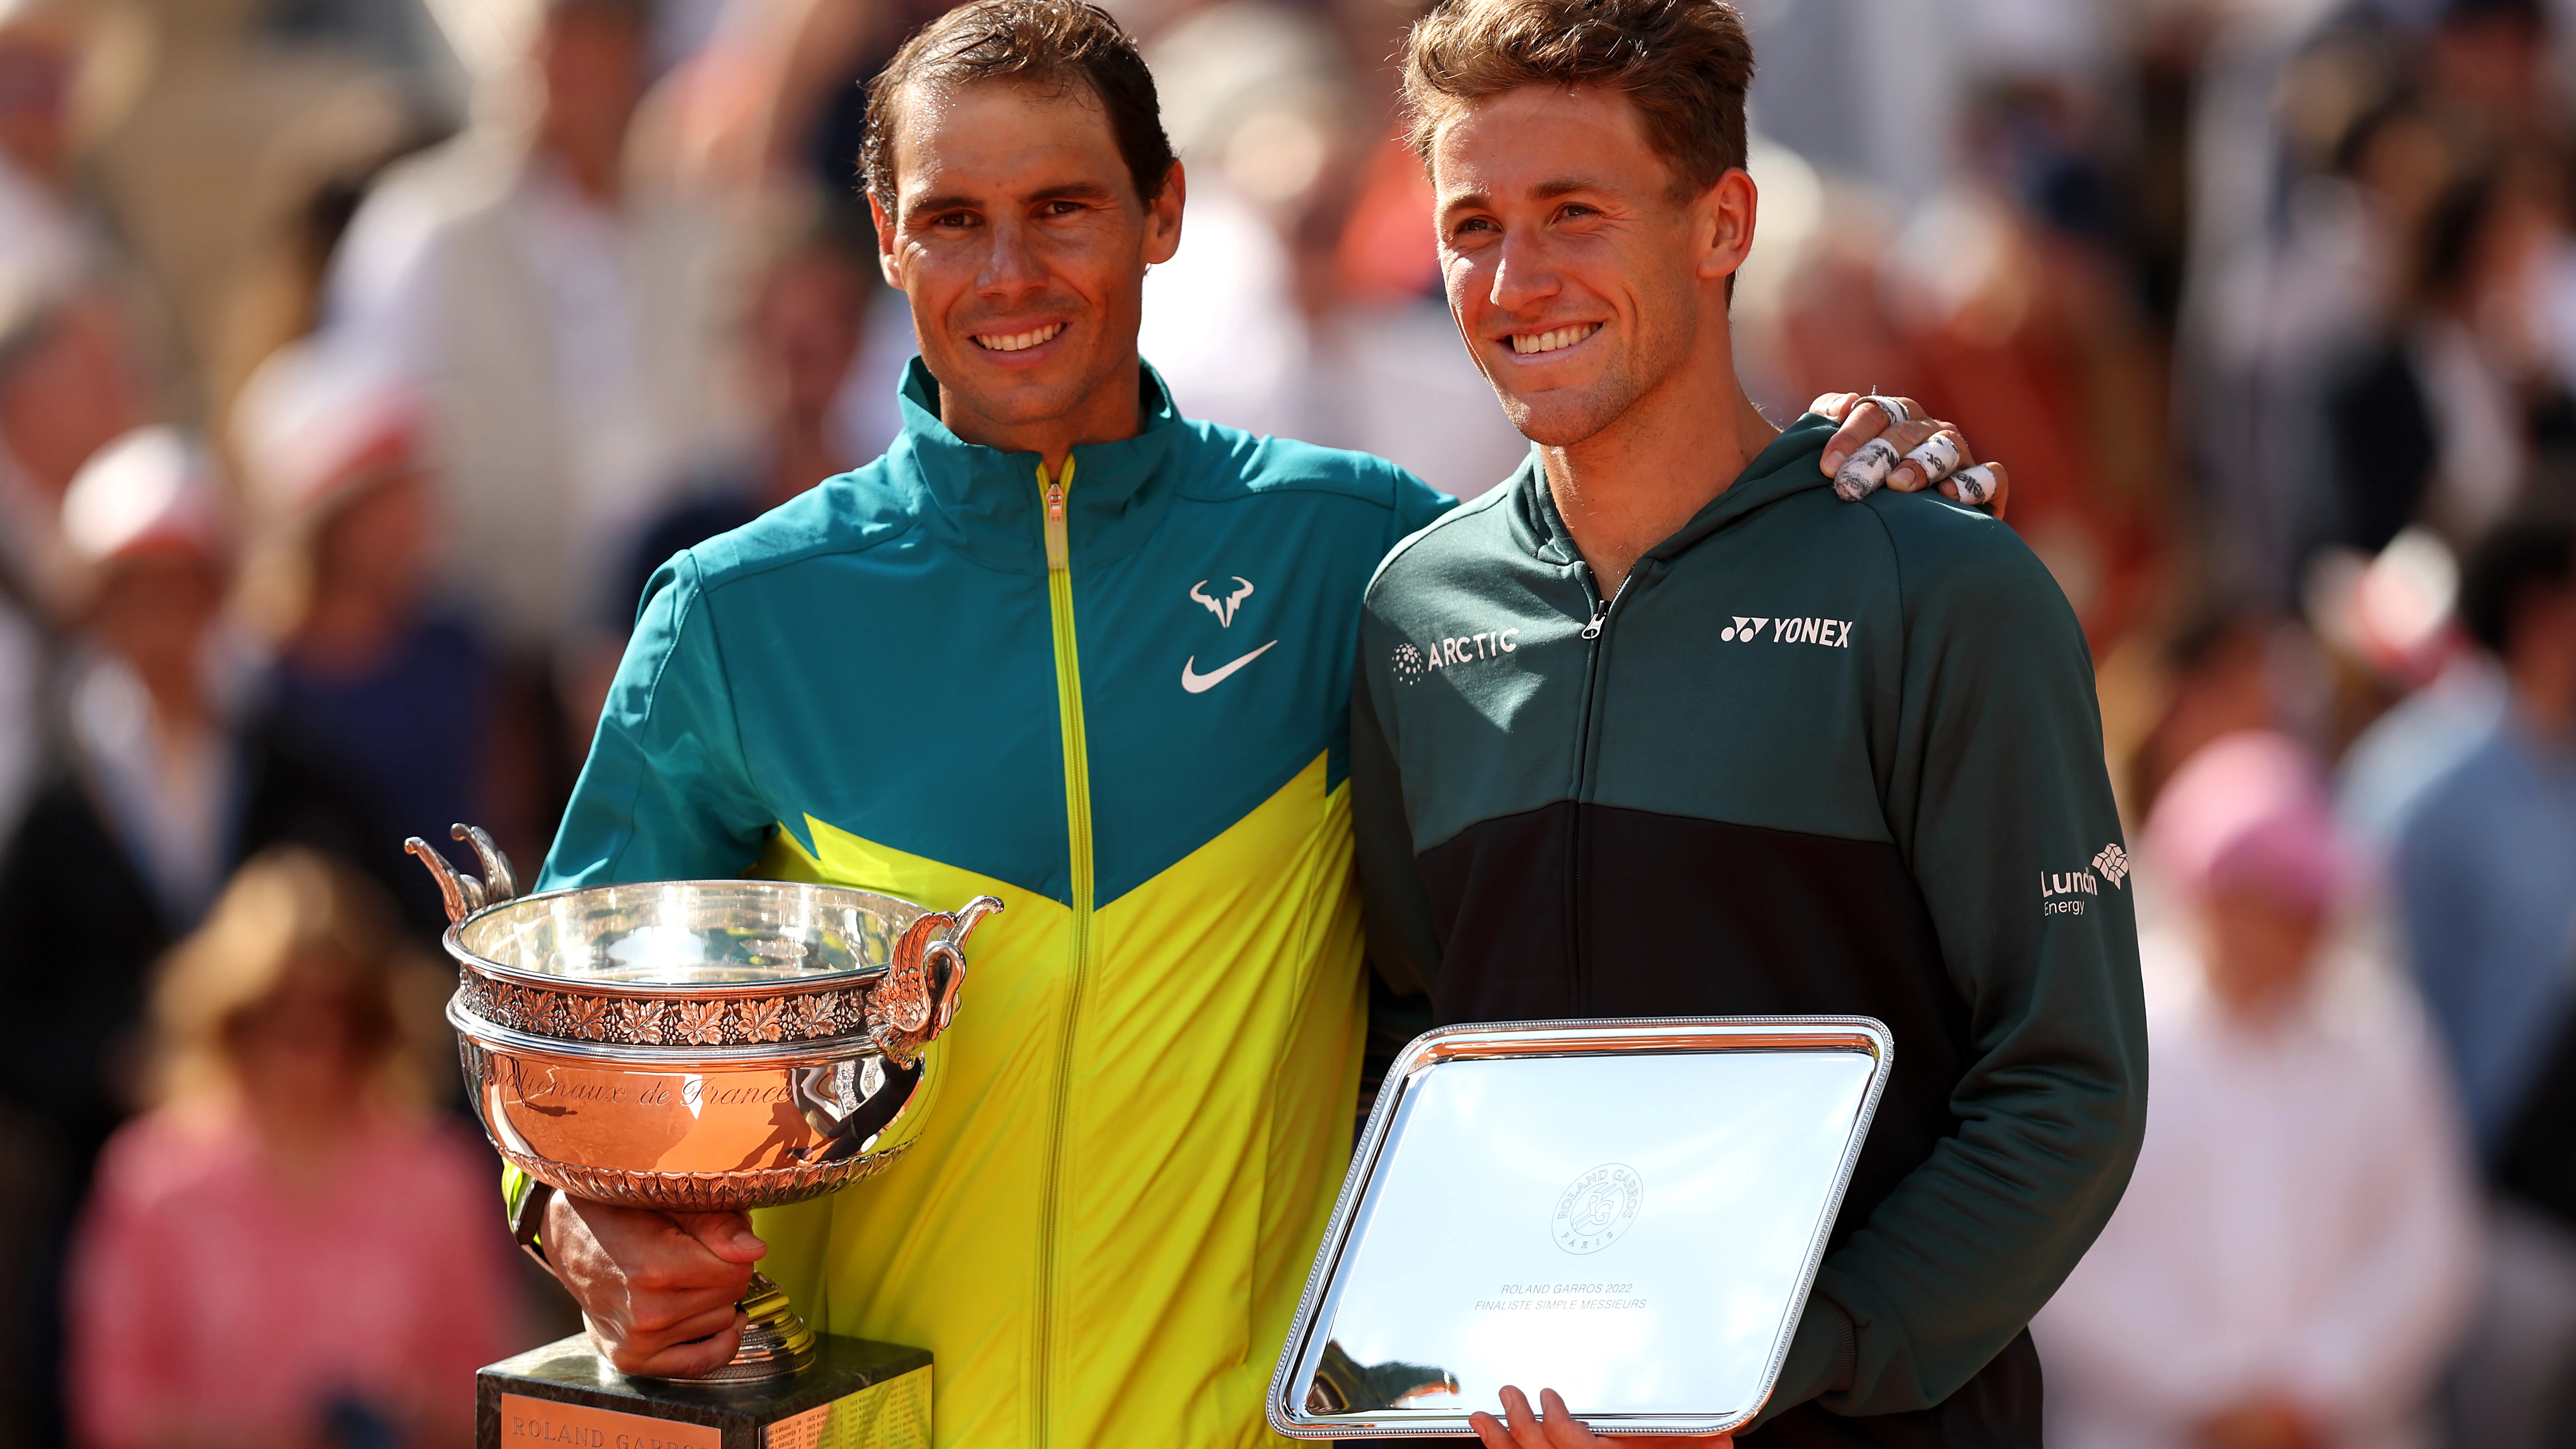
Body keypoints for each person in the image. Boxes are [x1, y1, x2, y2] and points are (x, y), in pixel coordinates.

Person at [520, 3, 2006, 1445]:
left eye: (1061, 208)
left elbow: (1628, 561)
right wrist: (585, 1233)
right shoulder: (737, 611)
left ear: (1163, 212)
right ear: (884, 228)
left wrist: (1829, 482)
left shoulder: (1356, 549)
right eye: (952, 217)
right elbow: (553, 1053)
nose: (1008, 271)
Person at [1347, 1, 2146, 1445]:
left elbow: (2061, 1085)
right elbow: (1410, 1046)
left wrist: (1780, 1358)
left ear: (1722, 224)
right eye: (1470, 224)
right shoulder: (1411, 613)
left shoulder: (1941, 587)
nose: (1514, 278)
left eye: (1573, 211)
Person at [2036, 732, 2477, 1449]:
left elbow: (2432, 1247)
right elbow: (2060, 1252)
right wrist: (2200, 1387)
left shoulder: (2380, 1032)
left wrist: (2323, 1386)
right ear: (2215, 897)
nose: (2311, 927)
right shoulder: (2110, 1032)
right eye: (2284, 900)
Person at [65, 846, 514, 1449]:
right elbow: (111, 1410)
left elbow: (494, 1397)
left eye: (340, 1014)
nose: (314, 1048)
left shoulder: (441, 1180)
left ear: (375, 1024)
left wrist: (410, 1413)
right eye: (282, 1016)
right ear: (232, 1021)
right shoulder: (150, 1180)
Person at [231, 339, 496, 932]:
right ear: (330, 520)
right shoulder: (250, 678)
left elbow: (502, 812)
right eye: (388, 494)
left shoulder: (457, 644)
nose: (419, 513)